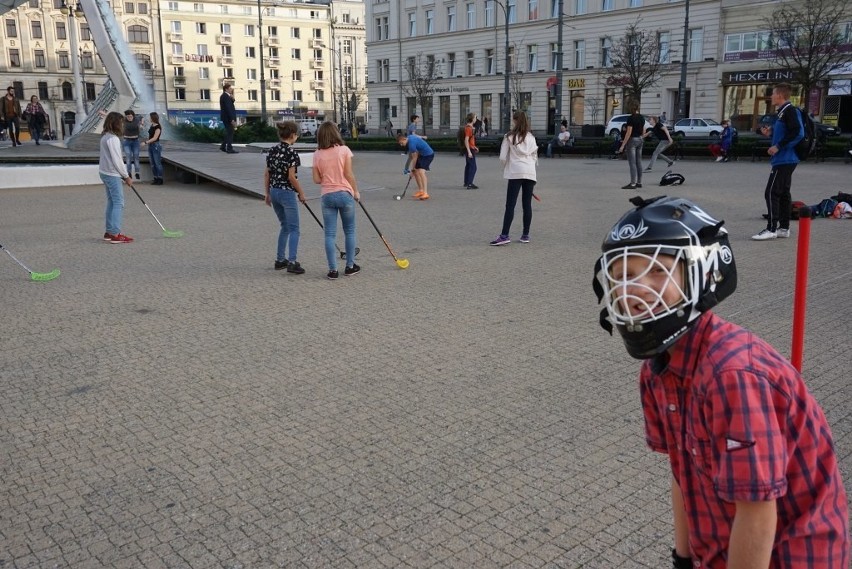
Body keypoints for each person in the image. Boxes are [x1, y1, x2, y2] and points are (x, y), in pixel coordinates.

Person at [593, 195, 849, 569]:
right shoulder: (657, 371)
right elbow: (681, 471)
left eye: (658, 271)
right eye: (623, 275)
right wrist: (683, 557)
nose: (635, 292)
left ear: (704, 273)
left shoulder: (733, 378)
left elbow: (758, 513)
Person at [753, 83, 803, 241]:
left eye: (773, 93)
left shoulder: (790, 111)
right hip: (784, 159)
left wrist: (778, 146)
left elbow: (798, 133)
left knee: (771, 192)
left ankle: (771, 229)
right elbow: (787, 132)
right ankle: (784, 228)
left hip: (785, 159)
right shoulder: (782, 113)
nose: (771, 96)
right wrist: (771, 133)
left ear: (780, 95)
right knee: (783, 193)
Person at [312, 122, 360, 280]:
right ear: (336, 133)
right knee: (350, 231)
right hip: (345, 193)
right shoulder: (344, 150)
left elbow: (316, 179)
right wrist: (356, 191)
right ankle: (350, 266)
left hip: (327, 196)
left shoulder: (317, 154)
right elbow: (349, 174)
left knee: (329, 234)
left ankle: (333, 270)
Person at [265, 121, 307, 275]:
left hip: (274, 191)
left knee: (285, 226)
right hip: (287, 193)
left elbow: (267, 173)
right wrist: (301, 193)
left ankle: (280, 260)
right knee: (294, 229)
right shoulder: (292, 153)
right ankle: (292, 261)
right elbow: (291, 177)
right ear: (293, 135)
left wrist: (267, 193)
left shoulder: (272, 150)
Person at [490, 110, 537, 246]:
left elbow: (503, 157)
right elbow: (534, 156)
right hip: (530, 172)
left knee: (510, 204)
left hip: (515, 172)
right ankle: (525, 235)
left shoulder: (509, 136)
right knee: (527, 205)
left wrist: (507, 167)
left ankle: (505, 235)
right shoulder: (531, 137)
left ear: (515, 120)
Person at [99, 111, 135, 244]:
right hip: (112, 173)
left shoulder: (105, 136)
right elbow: (117, 160)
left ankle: (109, 232)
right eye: (121, 122)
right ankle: (115, 233)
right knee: (119, 202)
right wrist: (126, 176)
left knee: (112, 201)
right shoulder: (113, 139)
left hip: (105, 172)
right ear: (116, 123)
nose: (122, 124)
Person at [397, 132, 435, 200]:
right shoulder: (409, 137)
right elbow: (413, 156)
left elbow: (414, 157)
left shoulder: (411, 144)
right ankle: (421, 191)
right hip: (421, 155)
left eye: (401, 143)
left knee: (421, 172)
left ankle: (425, 193)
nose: (401, 145)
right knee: (416, 172)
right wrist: (413, 170)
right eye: (400, 144)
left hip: (428, 155)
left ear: (404, 139)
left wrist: (412, 170)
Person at [617, 103, 646, 190]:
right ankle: (639, 182)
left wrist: (623, 145)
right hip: (640, 140)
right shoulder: (642, 117)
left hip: (632, 140)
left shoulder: (631, 118)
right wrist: (641, 137)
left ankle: (632, 183)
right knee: (639, 162)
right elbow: (644, 130)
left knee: (632, 163)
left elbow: (629, 132)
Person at [142, 112, 164, 185]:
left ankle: (160, 178)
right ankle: (155, 178)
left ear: (153, 118)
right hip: (151, 146)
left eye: (150, 117)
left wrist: (145, 142)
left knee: (157, 163)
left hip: (155, 146)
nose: (149, 118)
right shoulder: (152, 125)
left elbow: (155, 138)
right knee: (152, 163)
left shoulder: (158, 127)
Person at [122, 109, 144, 180]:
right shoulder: (124, 119)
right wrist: (104, 114)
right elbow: (114, 117)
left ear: (133, 116)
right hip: (126, 141)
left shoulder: (136, 118)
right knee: (128, 157)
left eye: (131, 116)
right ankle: (129, 173)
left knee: (136, 157)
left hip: (135, 141)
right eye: (128, 117)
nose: (130, 118)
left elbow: (142, 117)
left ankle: (137, 172)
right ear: (126, 116)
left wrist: (141, 124)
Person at [219, 83, 238, 154]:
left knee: (228, 132)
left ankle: (223, 146)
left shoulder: (226, 96)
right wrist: (232, 119)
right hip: (228, 118)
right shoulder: (225, 96)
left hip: (226, 117)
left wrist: (233, 98)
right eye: (230, 88)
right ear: (226, 89)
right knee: (230, 132)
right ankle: (229, 148)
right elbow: (228, 108)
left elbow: (230, 104)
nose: (231, 89)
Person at [462, 112, 479, 189]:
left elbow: (470, 140)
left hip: (471, 148)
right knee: (473, 167)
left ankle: (466, 182)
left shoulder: (469, 127)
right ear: (472, 119)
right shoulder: (469, 128)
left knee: (468, 166)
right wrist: (469, 151)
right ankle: (470, 183)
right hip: (469, 149)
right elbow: (466, 140)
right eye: (475, 117)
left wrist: (474, 146)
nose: (476, 119)